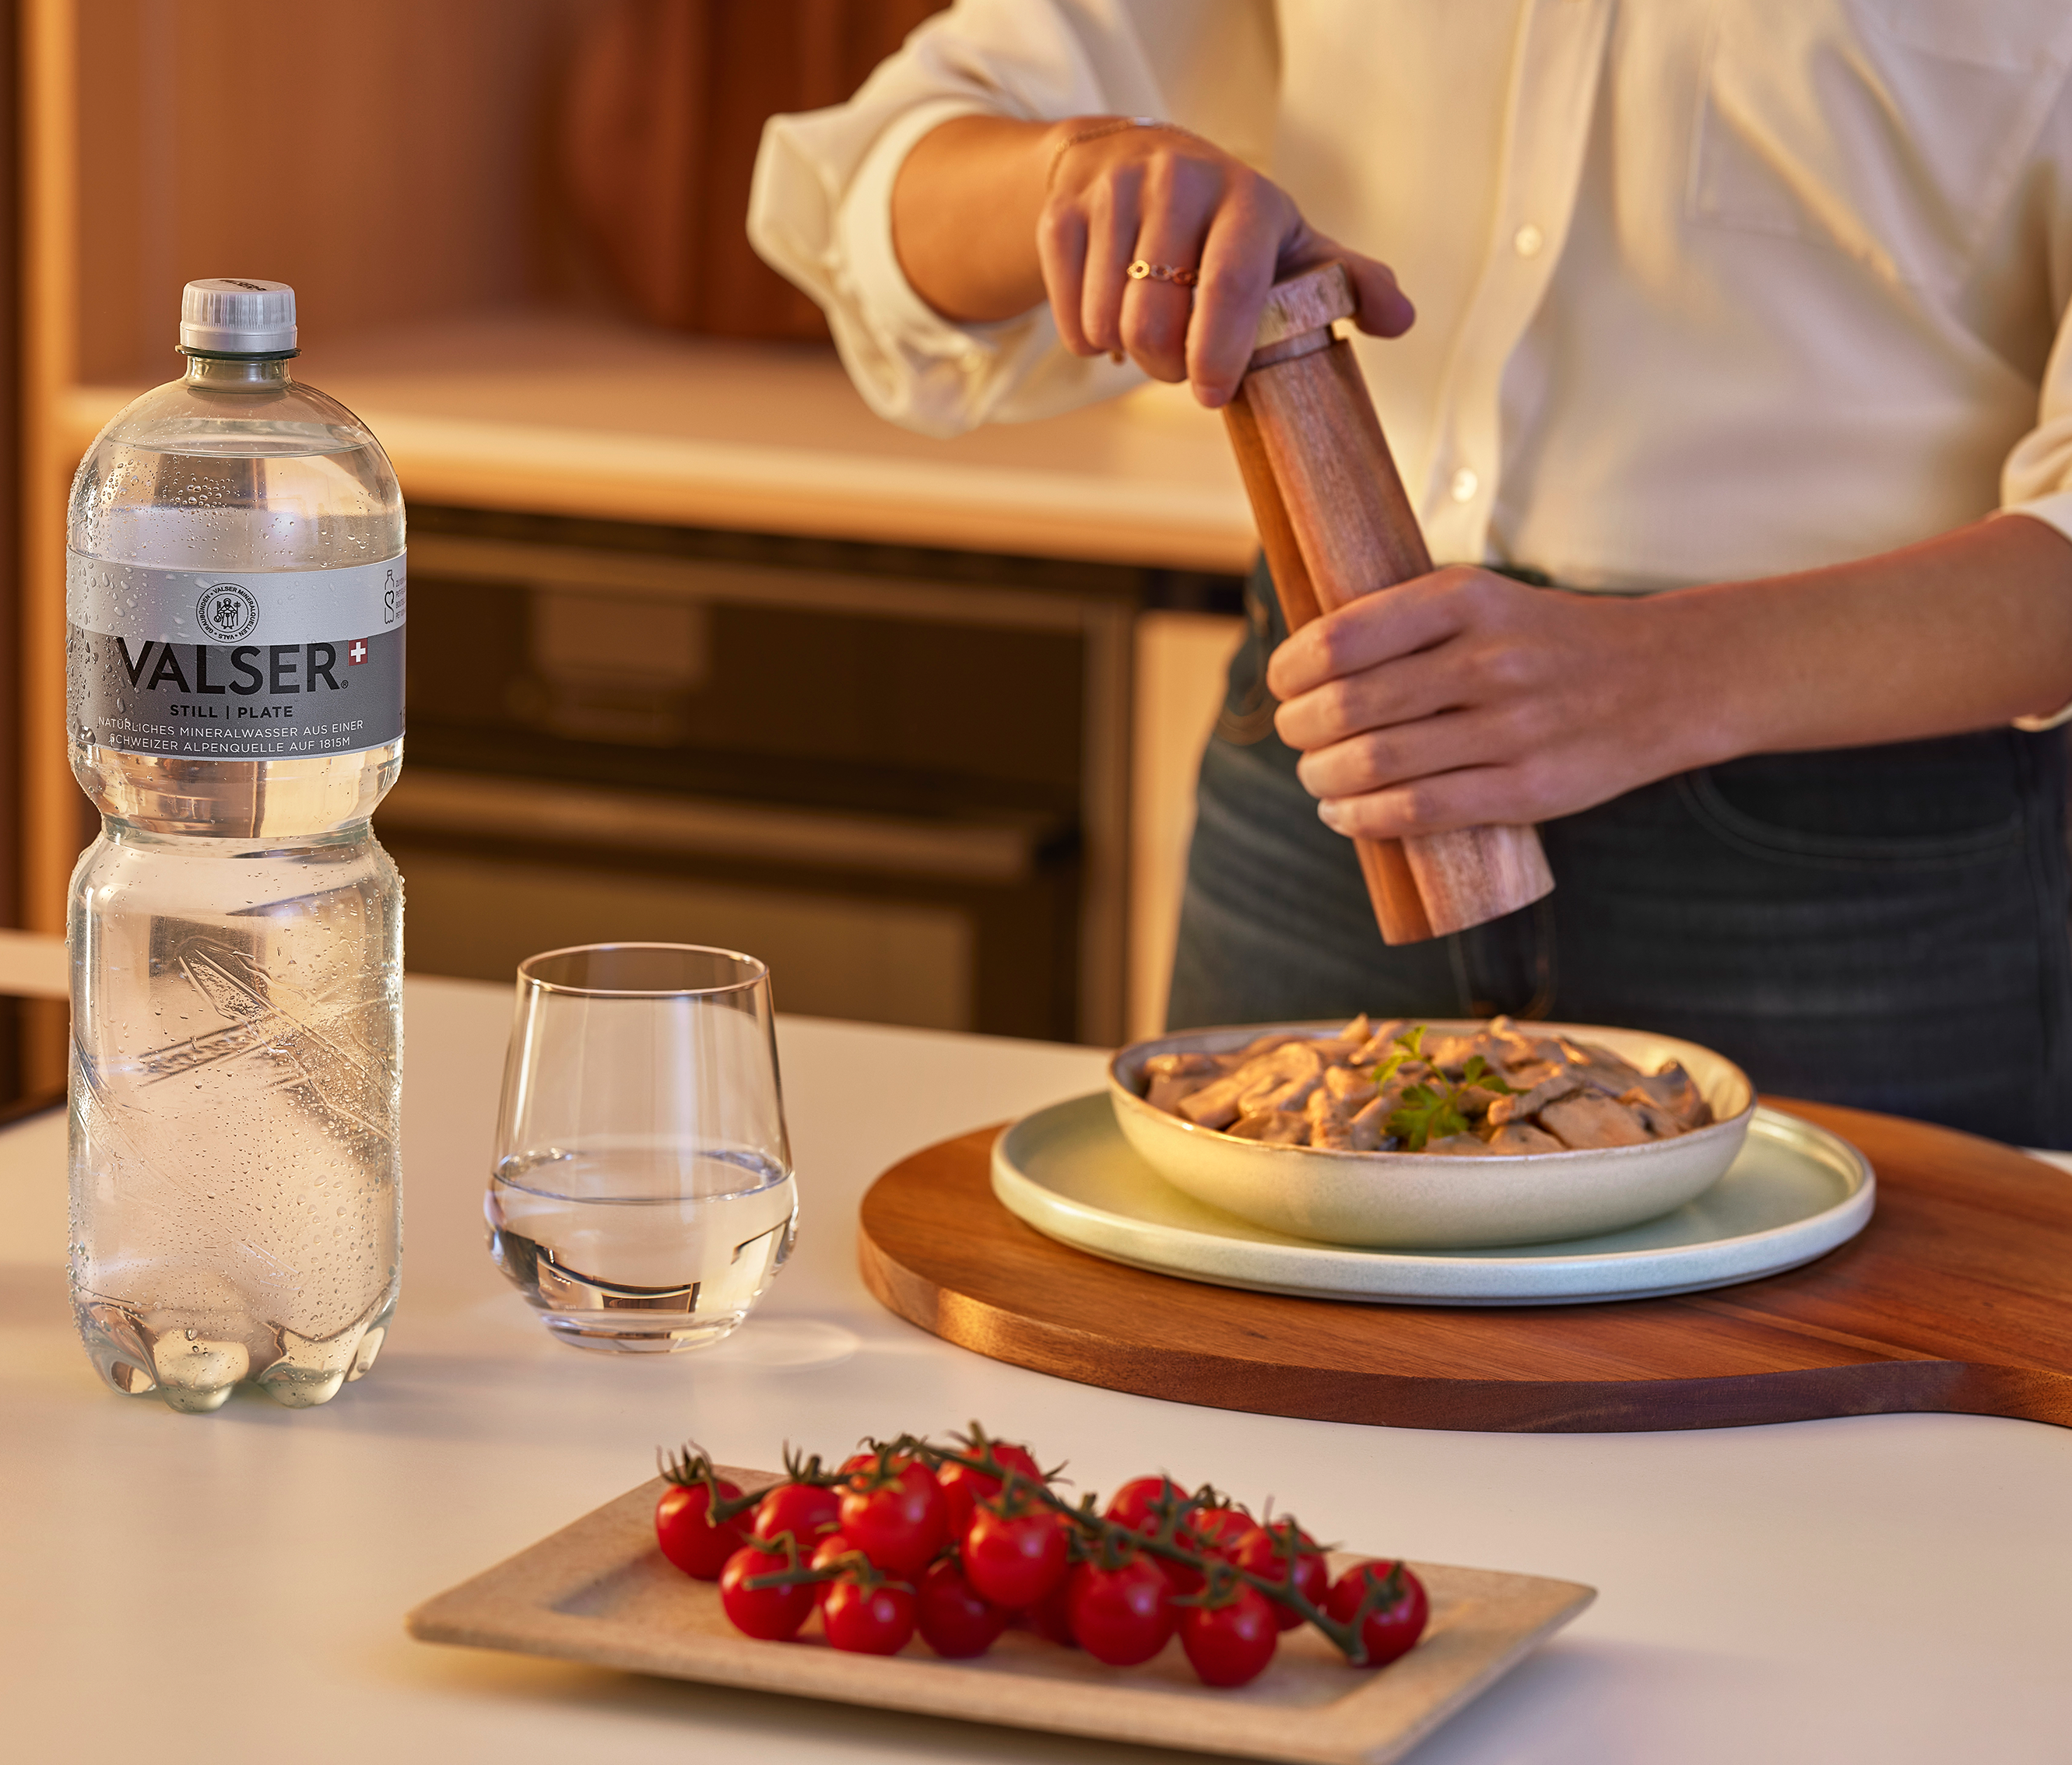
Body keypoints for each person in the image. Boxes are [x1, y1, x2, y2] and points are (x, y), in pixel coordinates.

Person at [748, 0, 2072, 1146]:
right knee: (1242, 1389)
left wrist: (1663, 676)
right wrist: (1073, 177)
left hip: (1873, 854)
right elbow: (877, 185)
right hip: (1326, 763)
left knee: (1854, 1412)